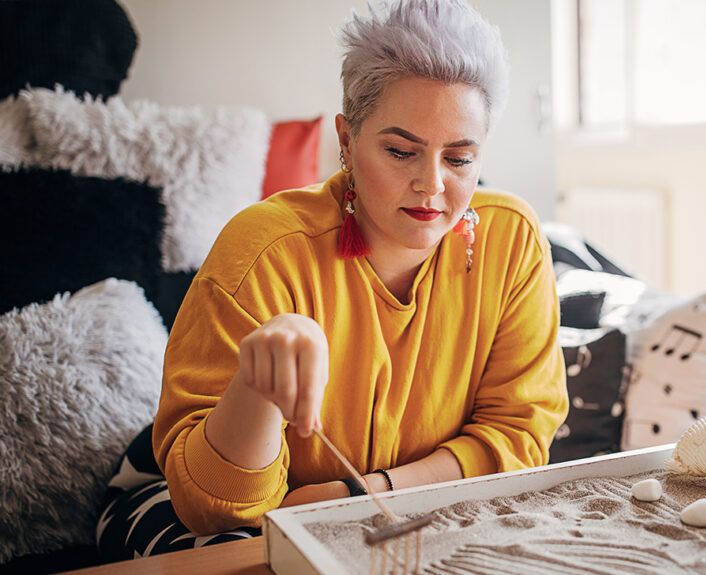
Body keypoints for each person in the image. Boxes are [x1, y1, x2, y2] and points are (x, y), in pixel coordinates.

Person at [96, 0, 567, 555]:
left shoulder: (510, 239)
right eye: (400, 151)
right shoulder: (263, 251)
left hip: (376, 498)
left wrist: (360, 493)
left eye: (460, 159)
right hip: (181, 491)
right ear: (346, 140)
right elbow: (211, 507)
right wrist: (256, 390)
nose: (431, 184)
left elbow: (519, 437)